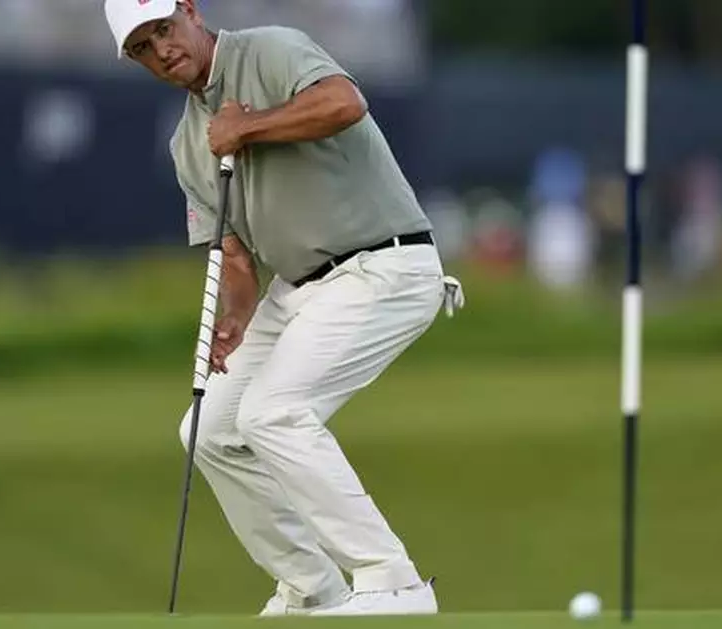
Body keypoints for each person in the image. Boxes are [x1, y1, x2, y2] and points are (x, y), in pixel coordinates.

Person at [103, 0, 463, 616]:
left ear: (189, 11)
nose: (161, 50)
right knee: (207, 431)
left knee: (274, 412)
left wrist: (249, 127)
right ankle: (313, 590)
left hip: (385, 263)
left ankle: (394, 582)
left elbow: (345, 103)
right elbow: (238, 258)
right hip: (294, 289)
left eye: (163, 28)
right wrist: (235, 315)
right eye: (142, 47)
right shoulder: (187, 144)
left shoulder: (269, 50)